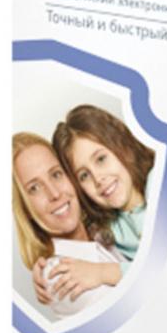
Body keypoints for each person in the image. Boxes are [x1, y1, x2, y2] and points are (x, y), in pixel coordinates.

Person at [11, 132, 121, 318]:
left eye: (56, 174)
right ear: (25, 209)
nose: (54, 193)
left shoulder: (101, 226)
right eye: (34, 188)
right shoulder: (58, 277)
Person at [52, 105, 156, 264]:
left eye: (101, 159)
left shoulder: (159, 183)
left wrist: (107, 272)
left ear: (123, 145)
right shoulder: (109, 232)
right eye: (84, 175)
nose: (97, 179)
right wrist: (44, 261)